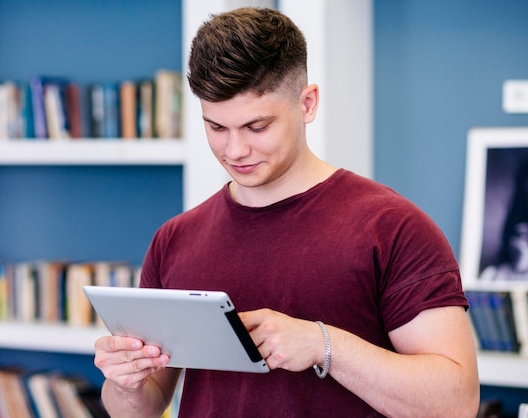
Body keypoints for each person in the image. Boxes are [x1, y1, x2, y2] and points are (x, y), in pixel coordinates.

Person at [93, 7, 480, 417]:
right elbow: (142, 408)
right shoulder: (175, 239)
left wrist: (321, 344)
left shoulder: (392, 227)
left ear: (308, 103)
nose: (235, 150)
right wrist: (125, 383)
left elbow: (455, 405)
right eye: (217, 128)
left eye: (257, 127)